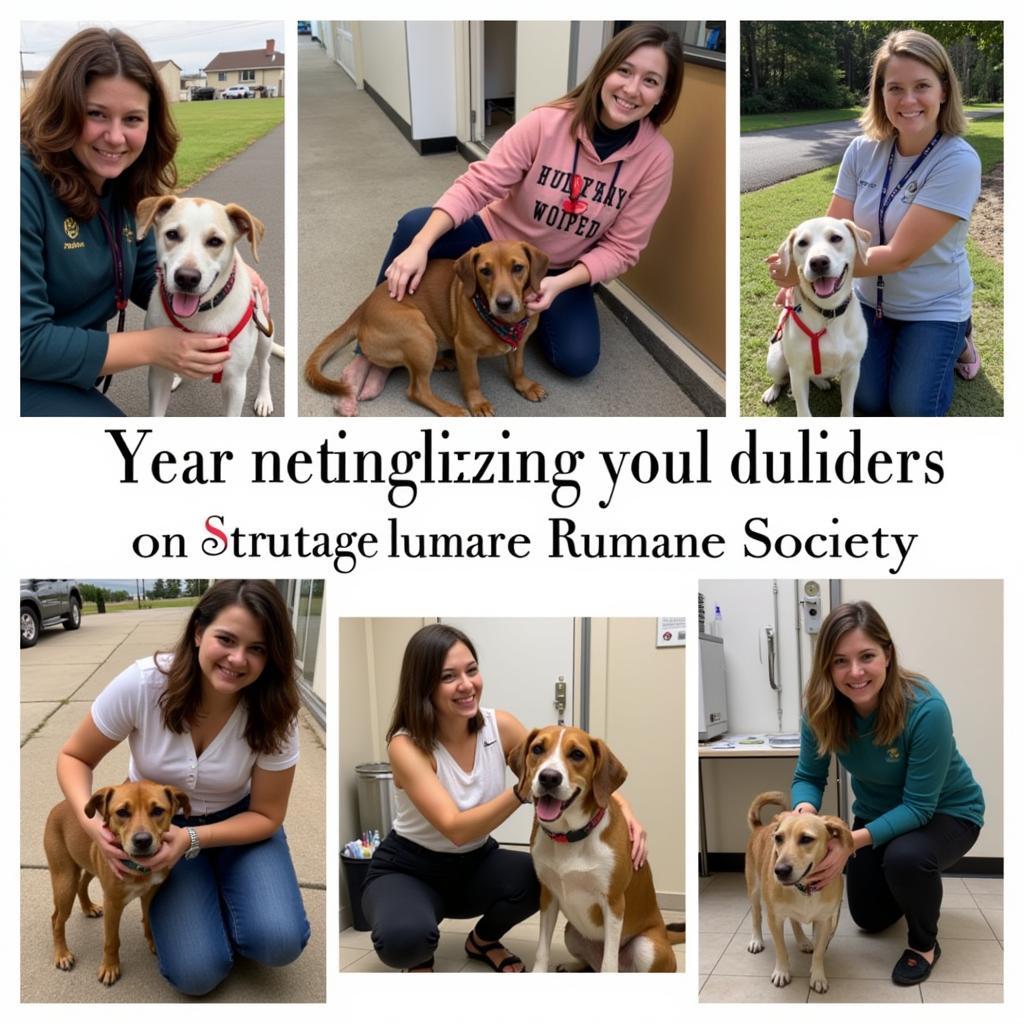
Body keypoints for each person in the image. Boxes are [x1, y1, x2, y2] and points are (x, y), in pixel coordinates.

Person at [339, 23, 683, 413]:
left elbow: (623, 249)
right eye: (624, 70)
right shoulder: (547, 123)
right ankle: (372, 348)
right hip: (492, 235)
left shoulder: (656, 159)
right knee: (415, 226)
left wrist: (556, 285)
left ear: (662, 94)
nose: (632, 89)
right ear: (604, 71)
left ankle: (510, 318)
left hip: (559, 267)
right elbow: (478, 184)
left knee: (576, 360)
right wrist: (420, 247)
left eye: (650, 80)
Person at [56, 580, 310, 995]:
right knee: (196, 974)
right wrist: (96, 832)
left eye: (258, 648)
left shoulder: (277, 712)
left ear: (272, 656)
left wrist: (191, 838)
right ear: (197, 633)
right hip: (157, 824)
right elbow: (73, 757)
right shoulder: (143, 684)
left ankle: (228, 893)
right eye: (225, 639)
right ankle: (209, 900)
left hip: (239, 824)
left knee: (277, 940)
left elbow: (267, 813)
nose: (237, 659)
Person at [361, 623, 648, 972]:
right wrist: (522, 789)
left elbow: (563, 768)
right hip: (410, 866)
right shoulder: (405, 745)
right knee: (405, 941)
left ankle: (482, 941)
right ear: (423, 685)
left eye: (472, 670)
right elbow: (456, 828)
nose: (467, 685)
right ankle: (419, 949)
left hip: (474, 862)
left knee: (538, 877)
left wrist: (625, 809)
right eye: (448, 676)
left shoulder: (500, 726)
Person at [20, 28, 265, 416]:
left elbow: (143, 275)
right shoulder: (21, 187)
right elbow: (21, 343)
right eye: (96, 114)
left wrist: (230, 278)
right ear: (62, 109)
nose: (116, 137)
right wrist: (154, 346)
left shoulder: (121, 189)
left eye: (132, 118)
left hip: (66, 373)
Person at [769, 29, 982, 416]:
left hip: (932, 306)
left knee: (911, 408)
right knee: (867, 401)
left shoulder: (958, 161)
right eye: (894, 88)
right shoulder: (862, 149)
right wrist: (802, 269)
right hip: (867, 301)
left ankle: (958, 338)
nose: (908, 100)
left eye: (922, 86)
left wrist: (805, 274)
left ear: (944, 90)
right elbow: (833, 225)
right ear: (880, 94)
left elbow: (900, 256)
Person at [789, 601, 984, 986]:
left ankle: (924, 944)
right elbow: (809, 775)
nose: (855, 672)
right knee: (868, 919)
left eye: (866, 657)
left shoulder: (926, 708)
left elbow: (918, 807)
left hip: (948, 813)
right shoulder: (820, 709)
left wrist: (848, 842)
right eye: (840, 661)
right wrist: (803, 810)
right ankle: (908, 883)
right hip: (879, 814)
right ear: (827, 666)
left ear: (888, 655)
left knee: (906, 858)